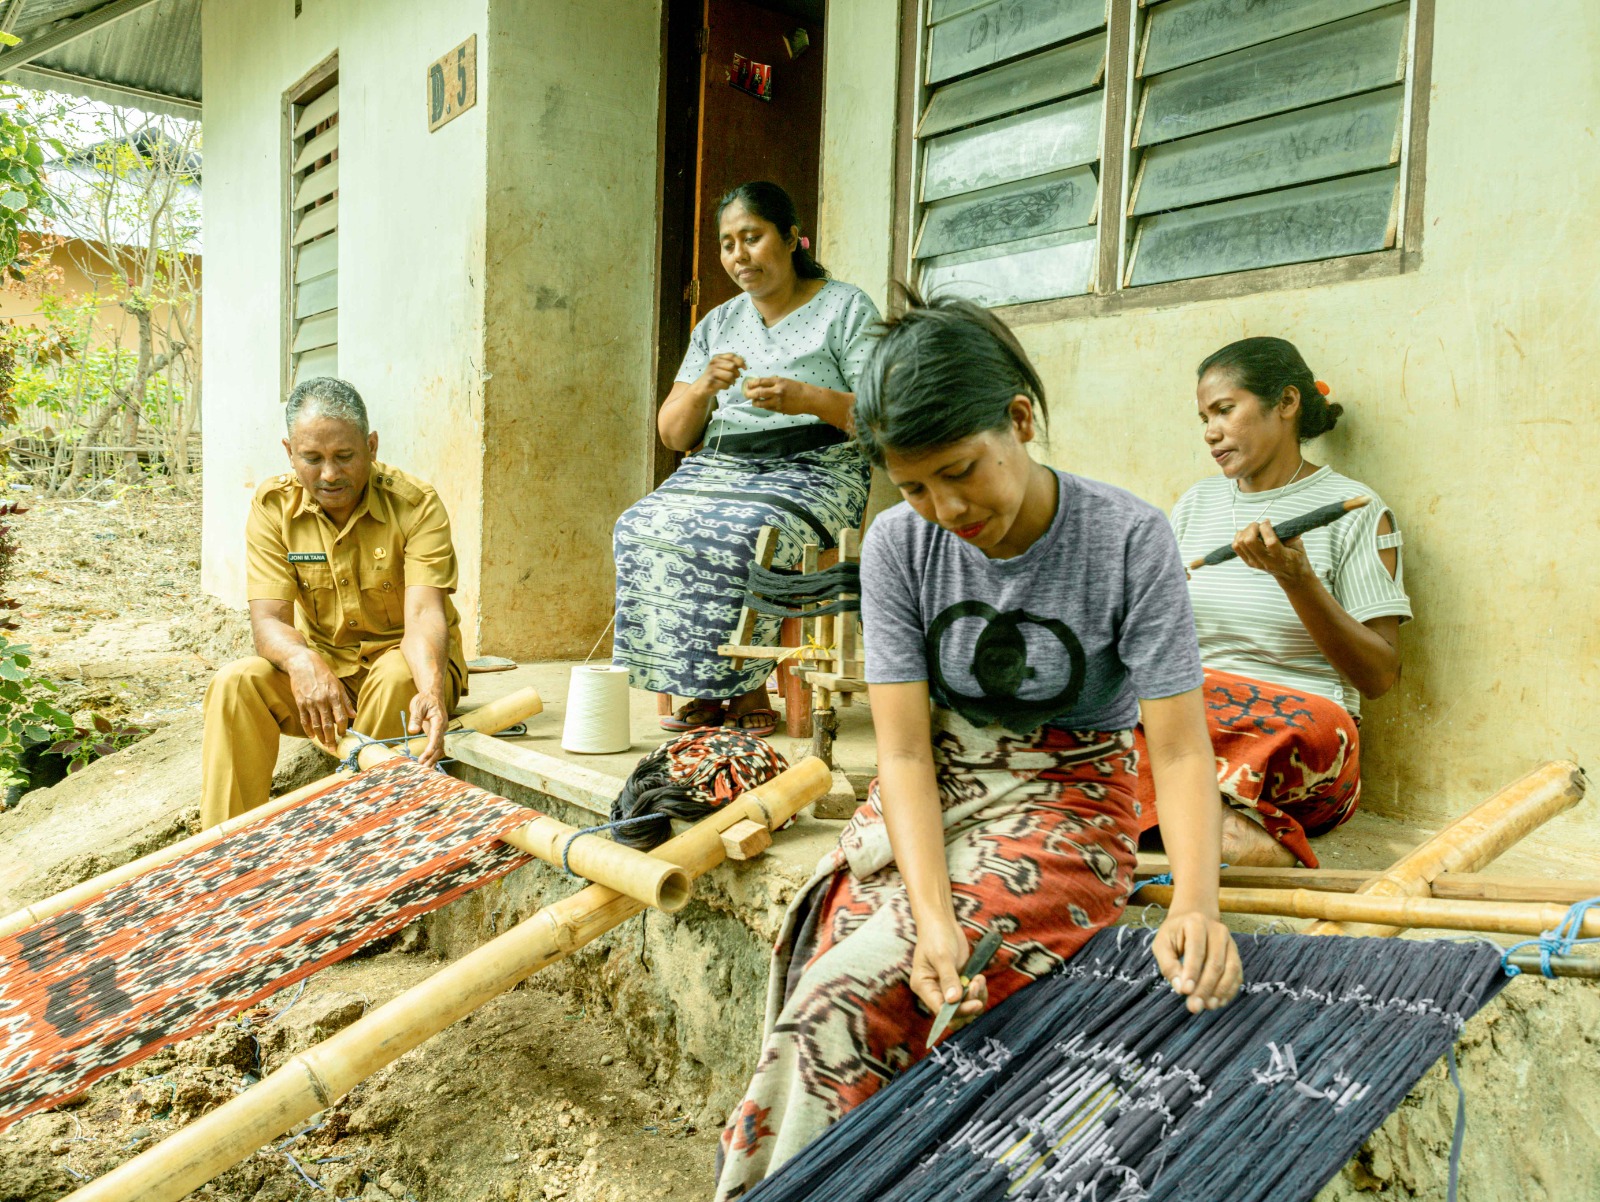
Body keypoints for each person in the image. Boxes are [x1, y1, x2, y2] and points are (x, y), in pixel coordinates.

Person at [714, 296, 1240, 1198]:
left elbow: (1182, 752)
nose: (945, 507)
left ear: (1021, 421)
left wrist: (1196, 902)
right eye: (915, 486)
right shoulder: (896, 545)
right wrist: (933, 914)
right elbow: (908, 758)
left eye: (960, 471)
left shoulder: (1128, 538)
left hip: (1071, 796)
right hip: (938, 786)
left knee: (868, 987)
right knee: (836, 990)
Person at [613, 181, 879, 738]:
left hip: (818, 470)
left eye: (752, 238)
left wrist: (806, 398)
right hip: (721, 468)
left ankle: (746, 684)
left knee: (743, 530)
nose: (739, 255)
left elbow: (884, 418)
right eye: (728, 243)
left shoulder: (845, 306)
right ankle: (702, 686)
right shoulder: (717, 322)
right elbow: (672, 433)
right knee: (640, 525)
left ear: (790, 238)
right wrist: (703, 388)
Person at [1136, 337, 1411, 868]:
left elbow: (1378, 677)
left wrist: (1297, 580)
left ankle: (1165, 813)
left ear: (1285, 403)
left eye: (1224, 409)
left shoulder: (1355, 510)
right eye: (1203, 417)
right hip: (1199, 715)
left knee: (1307, 725)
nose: (1210, 432)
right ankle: (1227, 829)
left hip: (1288, 733)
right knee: (1103, 706)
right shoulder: (1197, 503)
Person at [199, 377, 467, 828]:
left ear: (371, 446)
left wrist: (432, 692)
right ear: (289, 452)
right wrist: (302, 662)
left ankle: (351, 840)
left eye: (344, 456)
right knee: (235, 684)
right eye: (312, 458)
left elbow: (423, 617)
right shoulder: (272, 507)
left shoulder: (416, 505)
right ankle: (225, 852)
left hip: (409, 668)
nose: (329, 474)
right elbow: (269, 621)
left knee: (396, 676)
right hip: (329, 680)